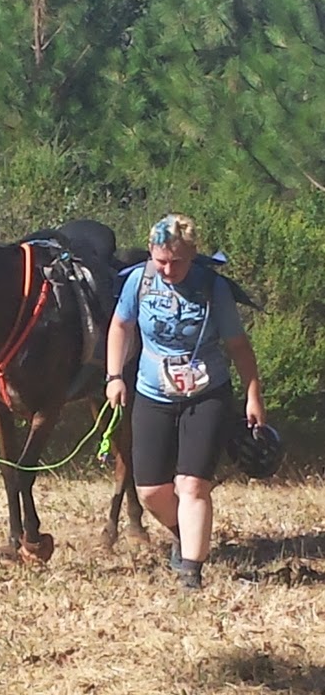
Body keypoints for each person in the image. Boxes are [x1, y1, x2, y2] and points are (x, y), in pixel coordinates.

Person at [105, 213, 265, 590]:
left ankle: (191, 571)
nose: (168, 269)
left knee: (192, 484)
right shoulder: (138, 281)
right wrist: (114, 376)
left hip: (207, 394)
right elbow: (121, 326)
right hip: (153, 392)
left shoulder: (213, 287)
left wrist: (253, 394)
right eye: (161, 260)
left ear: (192, 254)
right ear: (151, 252)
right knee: (151, 491)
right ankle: (186, 533)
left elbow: (238, 345)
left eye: (176, 261)